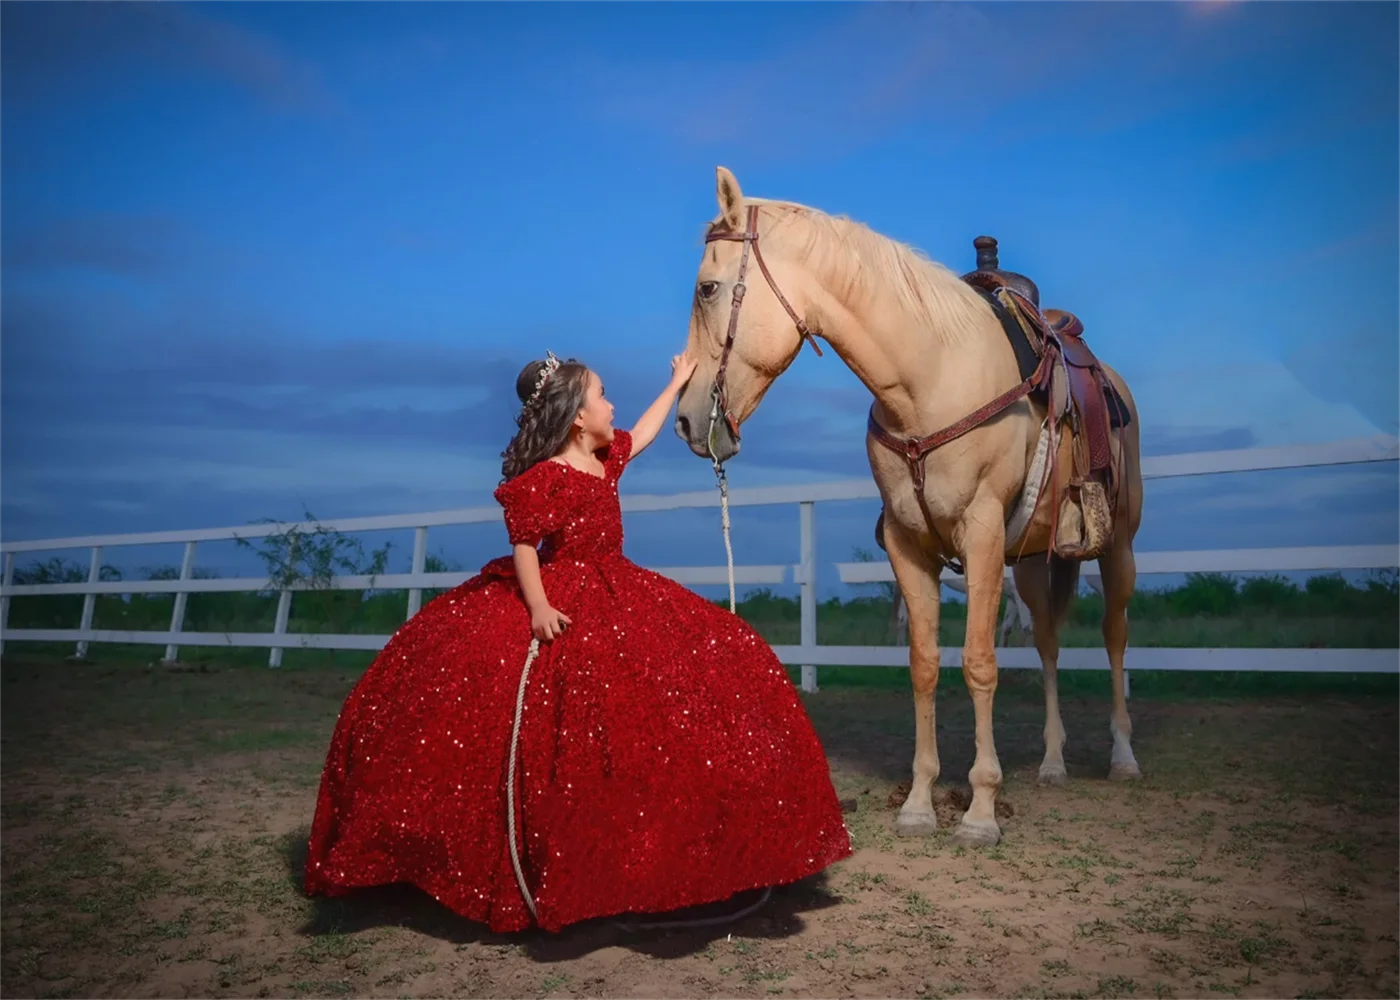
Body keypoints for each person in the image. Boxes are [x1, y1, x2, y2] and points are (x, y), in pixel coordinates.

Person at [304, 350, 852, 933]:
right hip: (564, 586)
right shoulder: (545, 478)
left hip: (619, 583)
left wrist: (676, 383)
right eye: (603, 395)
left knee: (722, 652)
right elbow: (524, 544)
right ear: (576, 417)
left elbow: (640, 432)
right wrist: (538, 606)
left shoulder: (605, 460)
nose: (612, 404)